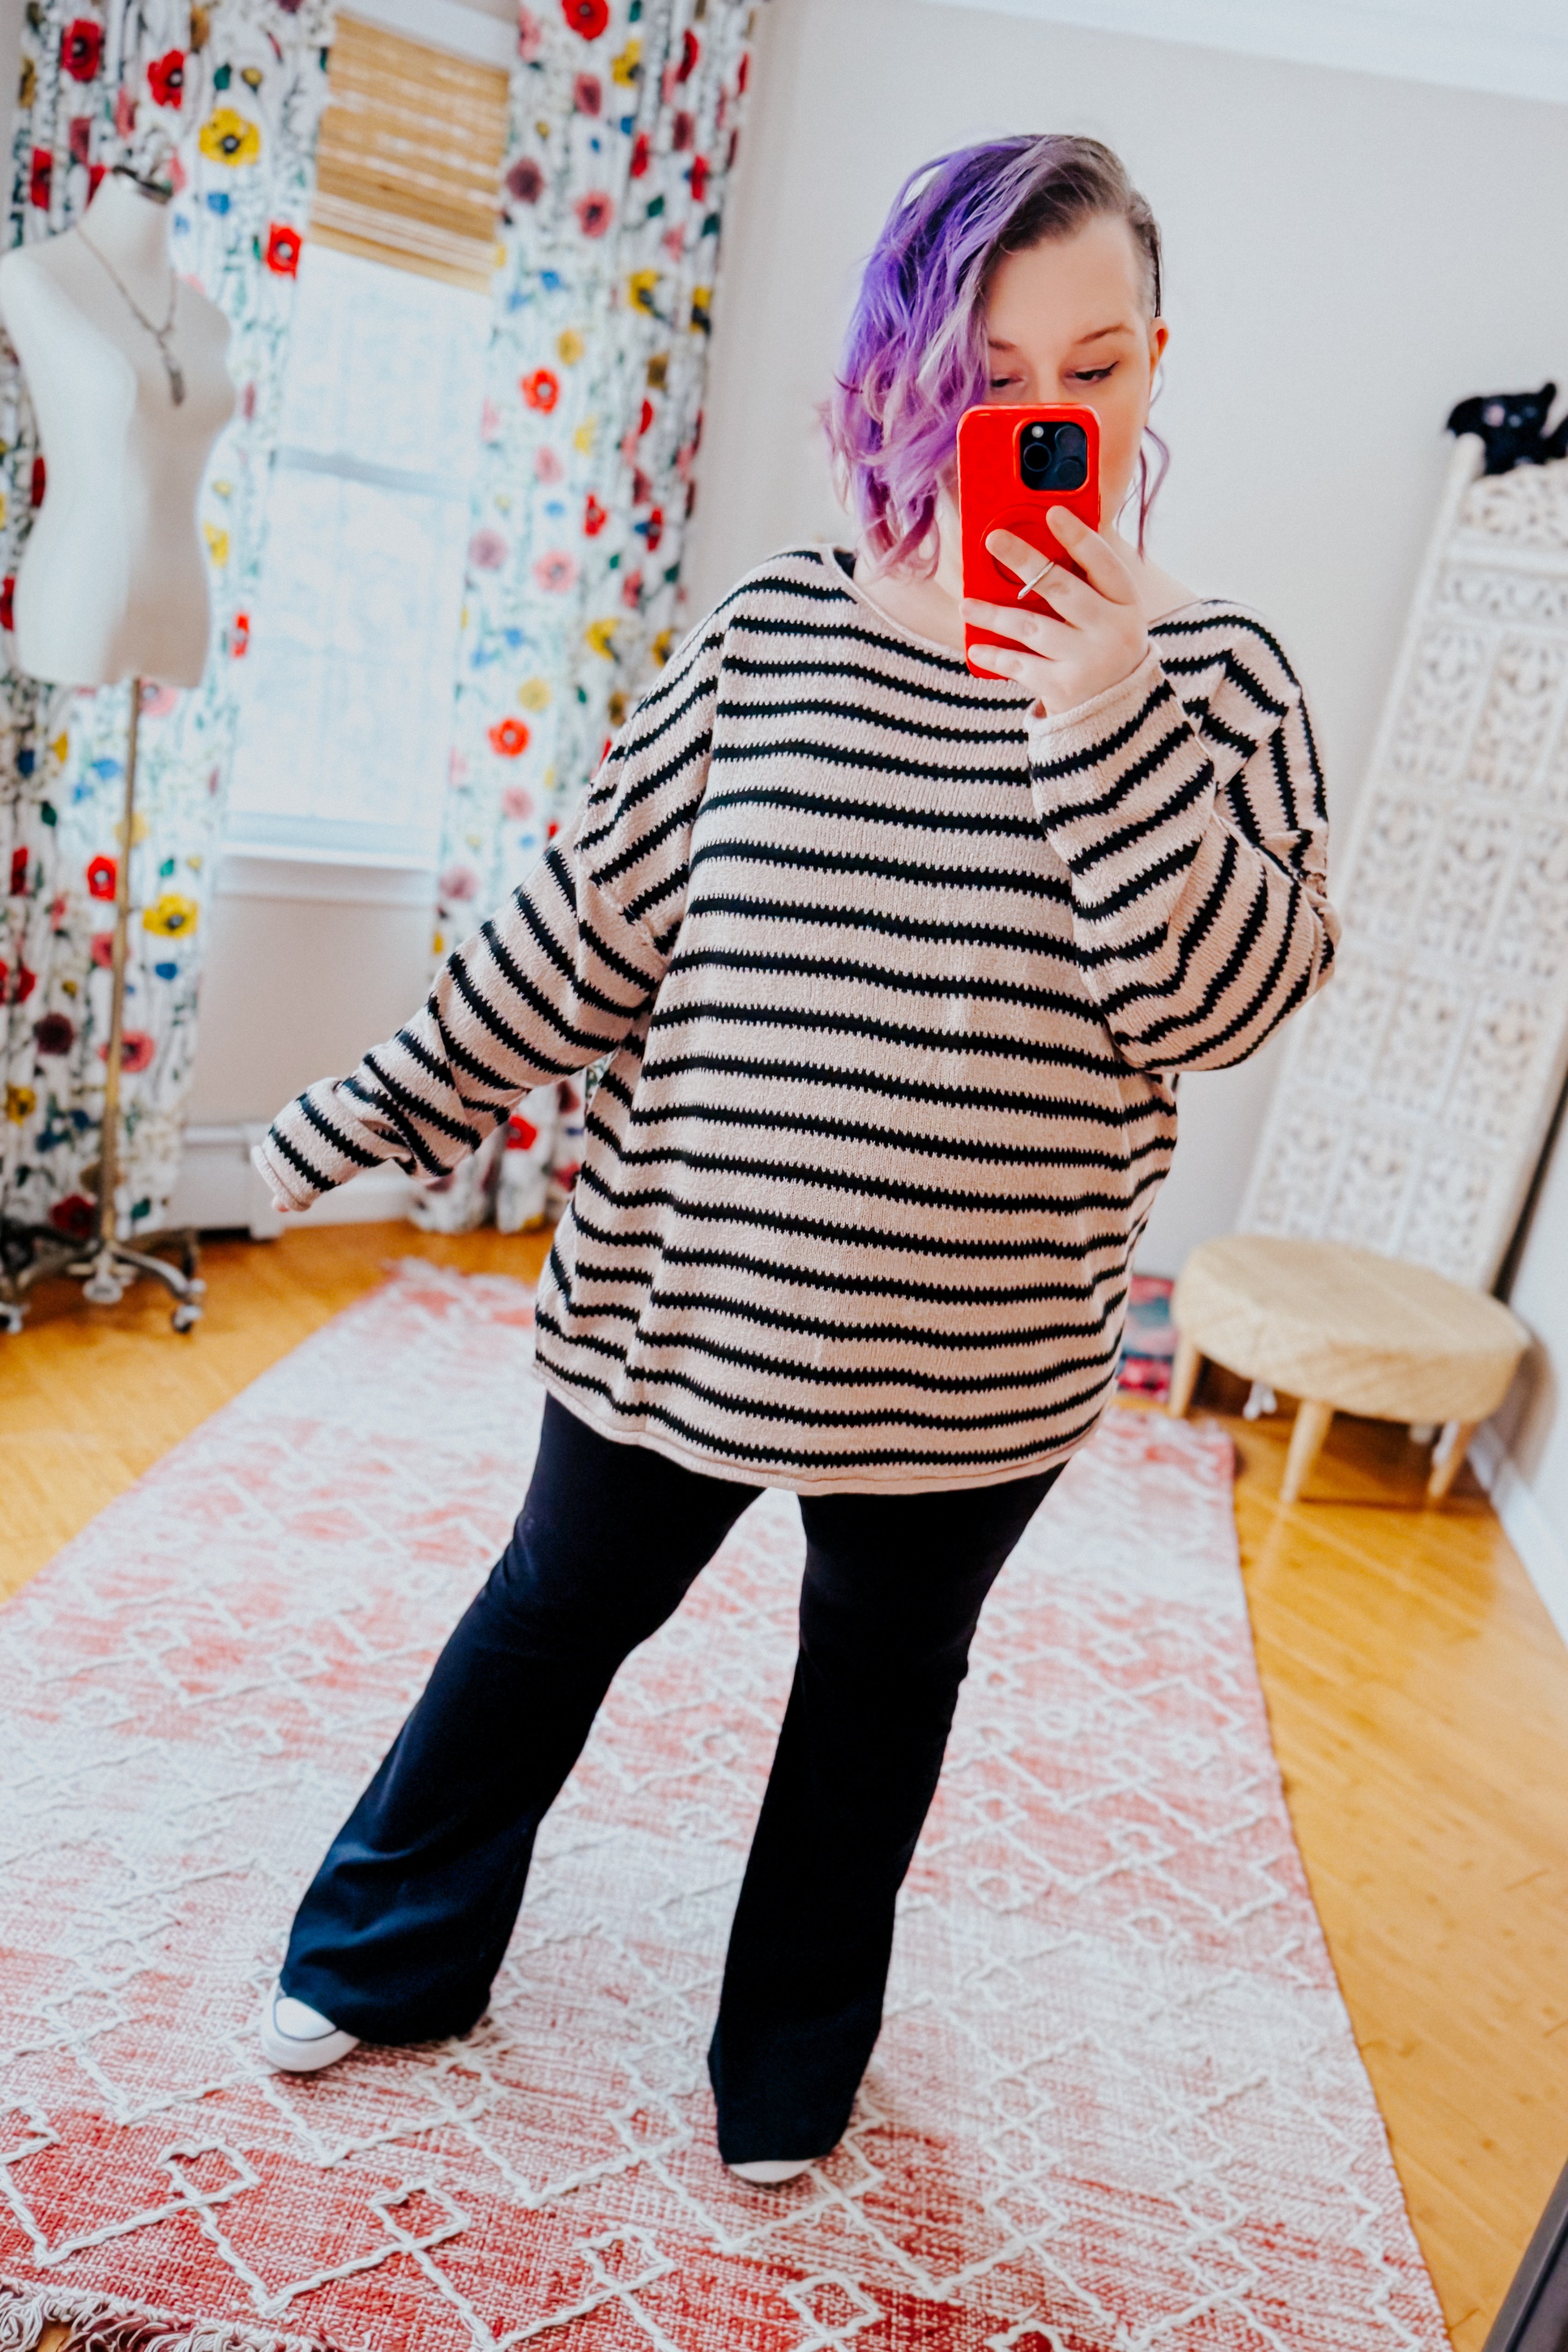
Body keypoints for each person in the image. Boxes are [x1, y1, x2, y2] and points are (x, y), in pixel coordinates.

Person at [250, 134, 1338, 2184]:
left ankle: (788, 2056)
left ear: (1151, 366)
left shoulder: (1218, 684)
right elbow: (576, 931)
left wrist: (1098, 717)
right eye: (992, 368)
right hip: (679, 1302)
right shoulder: (764, 631)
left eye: (1091, 370)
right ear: (911, 373)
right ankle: (388, 1952)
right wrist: (362, 1116)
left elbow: (1222, 1003)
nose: (1043, 418)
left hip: (978, 1360)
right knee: (548, 1618)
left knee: (875, 1697)